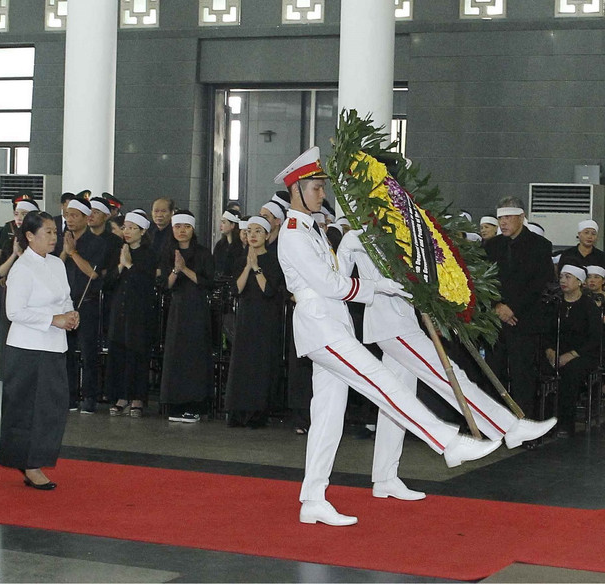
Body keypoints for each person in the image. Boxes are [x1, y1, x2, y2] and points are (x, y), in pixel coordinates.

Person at [274, 147, 501, 526]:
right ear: (295, 189)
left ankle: (313, 498)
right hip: (321, 325)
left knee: (328, 416)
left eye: (320, 187)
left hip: (333, 323)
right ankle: (447, 442)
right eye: (314, 187)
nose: (321, 194)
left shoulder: (313, 229)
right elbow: (328, 283)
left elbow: (335, 282)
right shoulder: (294, 234)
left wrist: (385, 286)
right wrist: (377, 288)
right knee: (382, 384)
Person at [337, 228, 557, 500]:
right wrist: (375, 290)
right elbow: (340, 281)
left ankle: (385, 477)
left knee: (397, 405)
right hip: (390, 324)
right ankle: (507, 427)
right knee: (448, 376)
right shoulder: (357, 237)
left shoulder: (397, 229)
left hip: (403, 321)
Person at [0, 211, 78, 490]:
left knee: (52, 408)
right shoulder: (22, 268)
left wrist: (70, 314)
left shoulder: (56, 263)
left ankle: (37, 458)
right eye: (47, 232)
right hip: (28, 349)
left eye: (55, 232)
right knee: (28, 409)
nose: (54, 238)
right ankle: (30, 464)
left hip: (54, 345)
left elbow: (64, 296)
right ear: (30, 236)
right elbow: (13, 312)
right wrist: (52, 320)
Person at [484, 198, 557, 420]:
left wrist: (512, 308)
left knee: (522, 376)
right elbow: (483, 281)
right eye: (500, 218)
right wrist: (497, 306)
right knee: (493, 374)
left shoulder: (540, 245)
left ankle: (525, 426)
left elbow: (539, 284)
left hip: (523, 320)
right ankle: (493, 424)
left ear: (521, 217)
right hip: (496, 320)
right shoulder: (491, 245)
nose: (503, 223)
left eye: (507, 218)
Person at [225, 216, 284, 428]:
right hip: (246, 317)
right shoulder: (241, 260)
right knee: (242, 364)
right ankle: (238, 411)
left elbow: (269, 291)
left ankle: (258, 413)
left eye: (258, 231)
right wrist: (248, 267)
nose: (253, 235)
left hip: (265, 318)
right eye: (249, 231)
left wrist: (257, 268)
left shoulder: (273, 260)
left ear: (267, 235)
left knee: (260, 364)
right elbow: (236, 290)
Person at [159, 210, 214, 422]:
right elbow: (165, 285)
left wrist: (185, 269)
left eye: (186, 227)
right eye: (178, 227)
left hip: (198, 308)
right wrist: (175, 270)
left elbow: (208, 282)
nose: (182, 231)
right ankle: (175, 403)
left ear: (193, 229)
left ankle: (195, 404)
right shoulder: (168, 252)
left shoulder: (202, 253)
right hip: (177, 309)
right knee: (176, 355)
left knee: (195, 356)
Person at [105, 211, 156, 418]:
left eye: (131, 228)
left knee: (137, 353)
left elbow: (146, 283)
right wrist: (119, 265)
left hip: (140, 311)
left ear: (143, 231)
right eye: (125, 227)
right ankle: (121, 396)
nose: (126, 231)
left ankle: (137, 398)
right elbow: (107, 283)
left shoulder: (149, 254)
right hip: (119, 309)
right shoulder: (118, 250)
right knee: (119, 353)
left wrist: (130, 265)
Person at [60, 195, 106, 413]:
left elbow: (93, 274)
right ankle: (69, 396)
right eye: (67, 215)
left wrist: (73, 253)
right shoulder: (61, 239)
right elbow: (54, 267)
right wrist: (64, 250)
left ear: (86, 218)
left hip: (86, 303)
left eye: (75, 215)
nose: (70, 219)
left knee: (88, 353)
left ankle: (89, 396)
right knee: (66, 352)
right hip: (65, 304)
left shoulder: (96, 242)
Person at [545, 264, 601, 437]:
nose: (563, 280)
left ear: (579, 282)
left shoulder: (588, 306)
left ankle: (565, 423)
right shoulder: (555, 303)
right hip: (555, 352)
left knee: (570, 372)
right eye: (561, 276)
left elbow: (595, 338)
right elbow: (545, 331)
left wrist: (571, 355)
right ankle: (543, 420)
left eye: (568, 277)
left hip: (582, 354)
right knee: (538, 369)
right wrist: (549, 351)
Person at [0, 194, 39, 379]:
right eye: (16, 213)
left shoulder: (39, 242)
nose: (19, 217)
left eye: (24, 213)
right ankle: (8, 372)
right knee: (8, 334)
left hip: (33, 297)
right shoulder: (9, 240)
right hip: (11, 295)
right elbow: (0, 272)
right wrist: (14, 254)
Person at [213, 209, 243, 279]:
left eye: (224, 222)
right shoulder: (220, 245)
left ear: (232, 225)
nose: (221, 225)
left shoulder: (241, 245)